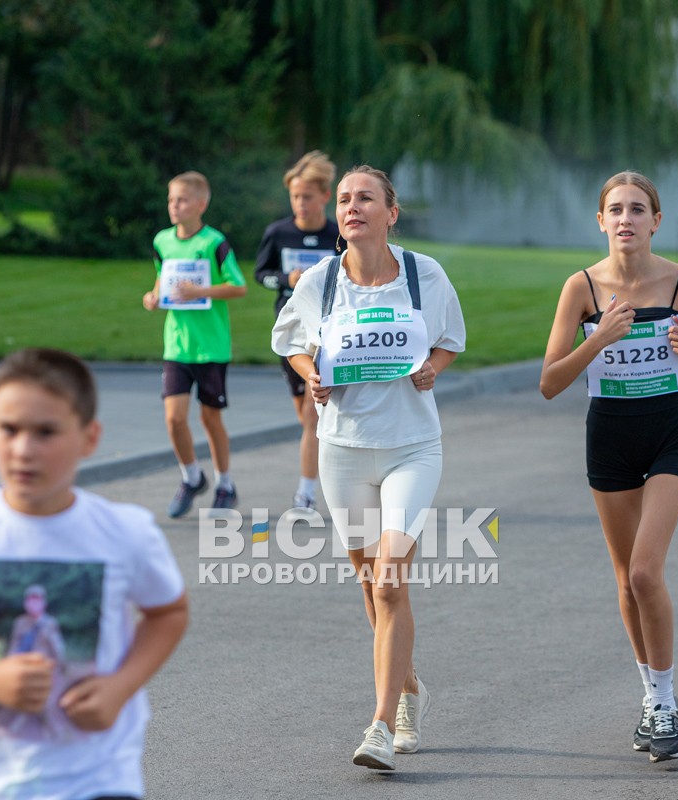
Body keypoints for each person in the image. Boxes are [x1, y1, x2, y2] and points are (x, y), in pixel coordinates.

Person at [0, 348, 188, 800]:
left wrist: (119, 688)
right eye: (8, 430)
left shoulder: (124, 532)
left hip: (100, 778)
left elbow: (169, 612)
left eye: (46, 432)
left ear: (89, 438)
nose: (24, 449)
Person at [271, 166, 466, 771]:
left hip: (412, 446)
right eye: (345, 199)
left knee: (388, 581)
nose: (352, 207)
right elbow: (289, 341)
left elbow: (451, 338)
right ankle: (408, 686)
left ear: (391, 212)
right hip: (343, 450)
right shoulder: (321, 280)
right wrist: (312, 378)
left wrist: (432, 367)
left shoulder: (422, 274)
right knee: (370, 584)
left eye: (365, 199)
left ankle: (381, 724)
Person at [539, 171, 678, 763]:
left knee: (645, 572)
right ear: (600, 221)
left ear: (655, 221)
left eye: (637, 209)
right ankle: (650, 698)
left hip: (670, 434)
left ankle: (667, 703)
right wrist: (601, 337)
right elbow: (549, 382)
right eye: (614, 210)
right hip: (609, 438)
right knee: (623, 580)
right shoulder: (582, 289)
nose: (625, 219)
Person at [142, 171, 248, 517]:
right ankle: (191, 477)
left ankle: (225, 485)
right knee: (173, 418)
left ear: (201, 204)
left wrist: (201, 291)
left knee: (210, 418)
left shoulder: (213, 243)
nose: (174, 206)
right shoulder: (162, 241)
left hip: (211, 347)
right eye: (171, 199)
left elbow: (238, 286)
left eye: (182, 200)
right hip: (176, 345)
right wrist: (154, 297)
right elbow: (162, 277)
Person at [254, 151, 339, 510]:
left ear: (324, 196)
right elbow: (261, 274)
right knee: (310, 420)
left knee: (311, 414)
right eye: (295, 196)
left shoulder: (338, 234)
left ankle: (306, 492)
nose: (301, 203)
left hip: (331, 336)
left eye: (307, 196)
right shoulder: (278, 233)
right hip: (292, 336)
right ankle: (325, 473)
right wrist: (284, 279)